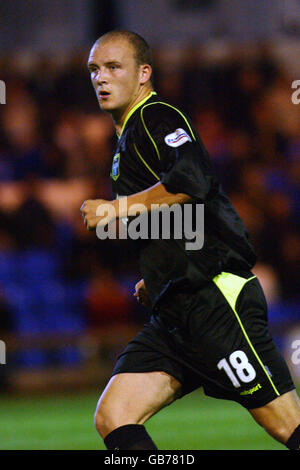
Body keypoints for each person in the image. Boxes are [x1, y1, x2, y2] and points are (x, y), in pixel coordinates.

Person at [80, 30, 300, 451]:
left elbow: (193, 181)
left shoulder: (157, 116)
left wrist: (115, 208)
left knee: (288, 427)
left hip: (214, 301)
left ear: (144, 73)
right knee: (114, 416)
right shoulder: (127, 136)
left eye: (112, 67)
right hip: (177, 307)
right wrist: (160, 273)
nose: (100, 78)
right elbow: (175, 215)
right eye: (94, 69)